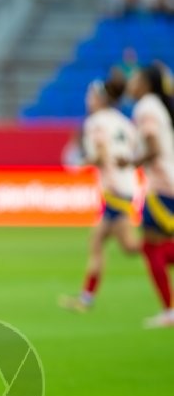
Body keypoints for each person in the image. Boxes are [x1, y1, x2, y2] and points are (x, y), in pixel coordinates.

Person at [59, 77, 140, 312]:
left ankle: (163, 249)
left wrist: (78, 162)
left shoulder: (95, 123)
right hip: (126, 186)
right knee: (97, 240)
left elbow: (101, 154)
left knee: (132, 246)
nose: (87, 100)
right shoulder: (125, 122)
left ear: (99, 99)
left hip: (115, 191)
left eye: (90, 96)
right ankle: (86, 298)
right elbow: (132, 150)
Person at [128, 64, 174, 328]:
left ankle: (169, 311)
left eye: (135, 79)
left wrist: (132, 162)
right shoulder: (158, 105)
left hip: (162, 186)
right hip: (166, 182)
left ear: (145, 84)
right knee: (153, 247)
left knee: (151, 246)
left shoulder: (146, 106)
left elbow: (154, 147)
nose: (131, 85)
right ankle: (168, 311)